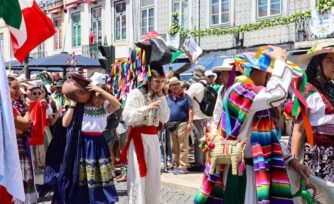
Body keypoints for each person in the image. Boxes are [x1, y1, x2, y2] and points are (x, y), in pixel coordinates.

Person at [194, 46, 310, 204]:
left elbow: (271, 138)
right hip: (241, 172)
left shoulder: (256, 97)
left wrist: (292, 161)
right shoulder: (239, 91)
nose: (269, 77)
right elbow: (278, 94)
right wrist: (280, 61)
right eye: (267, 72)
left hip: (256, 170)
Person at [52, 72, 120, 203]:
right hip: (82, 144)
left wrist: (99, 90)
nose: (100, 100)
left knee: (99, 174)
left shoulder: (105, 107)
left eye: (102, 97)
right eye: (98, 97)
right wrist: (72, 104)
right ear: (89, 95)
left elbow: (117, 104)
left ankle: (99, 198)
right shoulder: (79, 107)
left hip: (99, 143)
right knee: (82, 174)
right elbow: (65, 123)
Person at [121, 68, 170, 204]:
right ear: (148, 81)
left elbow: (165, 118)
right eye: (156, 81)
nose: (159, 84)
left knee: (153, 175)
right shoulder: (136, 94)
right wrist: (146, 108)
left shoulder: (159, 96)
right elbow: (126, 117)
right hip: (138, 136)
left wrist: (162, 99)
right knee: (137, 175)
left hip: (153, 137)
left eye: (161, 82)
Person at [291, 42, 334, 183]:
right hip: (319, 159)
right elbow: (298, 130)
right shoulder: (307, 91)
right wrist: (294, 163)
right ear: (317, 64)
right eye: (329, 61)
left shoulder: (332, 88)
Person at [1, 77, 38, 203]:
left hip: (19, 147)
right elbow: (25, 124)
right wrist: (27, 110)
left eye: (19, 88)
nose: (19, 91)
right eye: (15, 88)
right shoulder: (7, 105)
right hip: (12, 150)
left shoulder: (14, 104)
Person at [166, 77, 193, 174]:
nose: (176, 86)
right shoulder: (167, 97)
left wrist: (190, 123)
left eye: (177, 84)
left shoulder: (186, 96)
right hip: (171, 124)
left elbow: (190, 109)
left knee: (183, 146)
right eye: (173, 85)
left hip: (183, 123)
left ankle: (183, 166)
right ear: (170, 87)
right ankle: (175, 165)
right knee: (174, 147)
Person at [187, 66, 210, 170]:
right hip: (207, 115)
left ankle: (198, 163)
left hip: (197, 116)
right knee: (206, 139)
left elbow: (187, 97)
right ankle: (205, 161)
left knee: (198, 140)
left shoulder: (195, 85)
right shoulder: (207, 83)